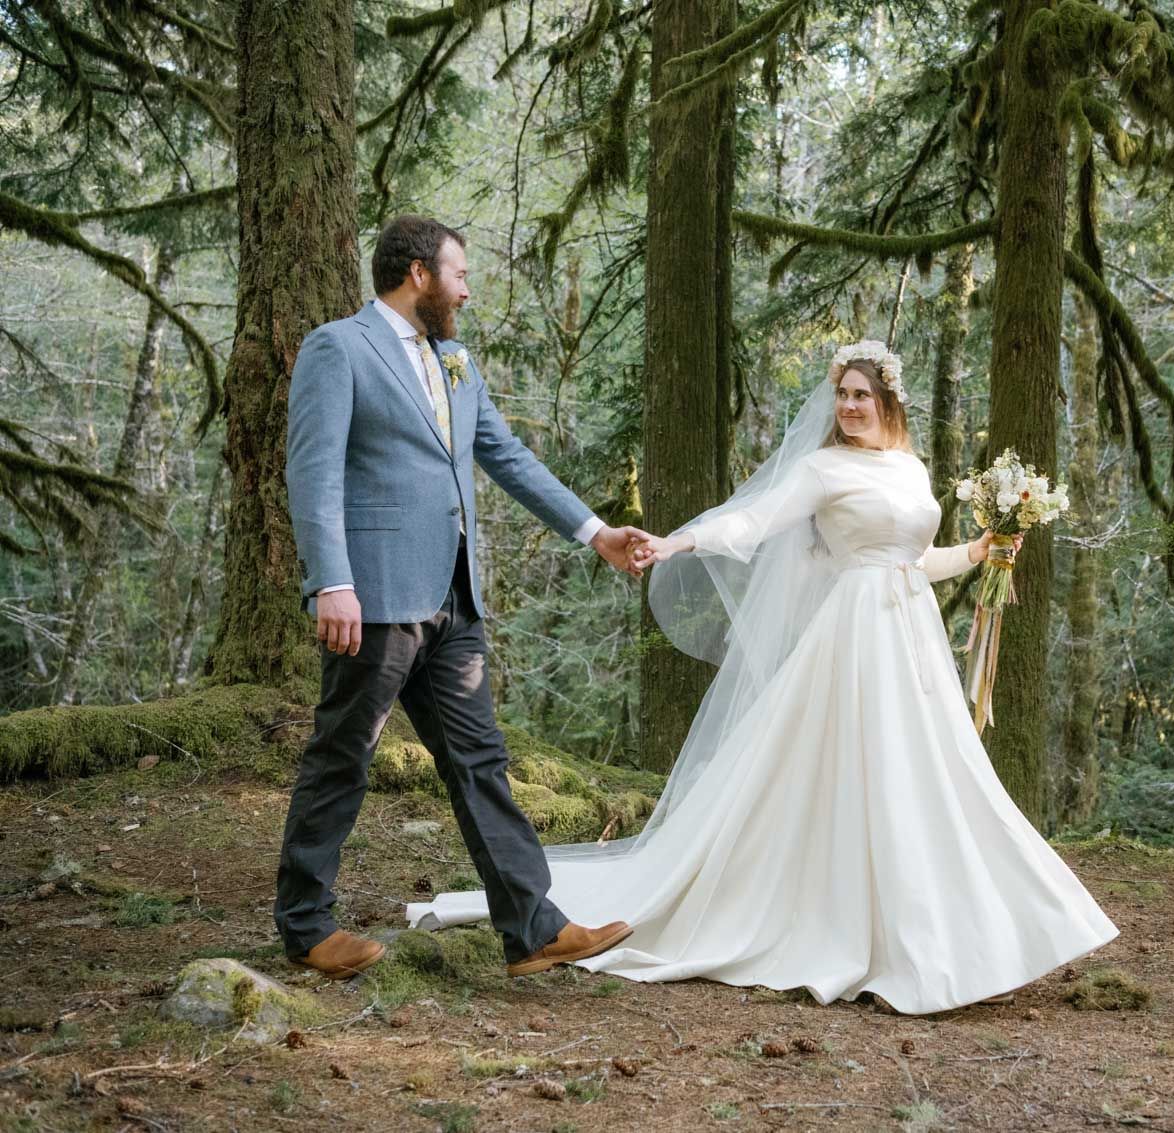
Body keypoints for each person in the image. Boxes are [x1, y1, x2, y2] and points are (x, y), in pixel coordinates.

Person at [408, 340, 1117, 1013]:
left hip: (913, 635)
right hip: (854, 638)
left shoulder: (910, 468)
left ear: (889, 401)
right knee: (865, 776)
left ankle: (955, 934)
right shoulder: (822, 469)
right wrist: (677, 540)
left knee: (930, 773)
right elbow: (751, 521)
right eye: (841, 393)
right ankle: (870, 933)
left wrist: (984, 548)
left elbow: (916, 559)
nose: (848, 406)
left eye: (861, 394)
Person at [280, 216, 645, 980]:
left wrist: (595, 531)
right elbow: (312, 473)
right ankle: (306, 924)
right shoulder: (339, 347)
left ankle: (532, 926)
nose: (468, 289)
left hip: (454, 599)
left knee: (481, 759)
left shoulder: (455, 360)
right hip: (374, 596)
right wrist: (332, 581)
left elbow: (505, 455)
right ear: (418, 273)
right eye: (460, 273)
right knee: (344, 754)